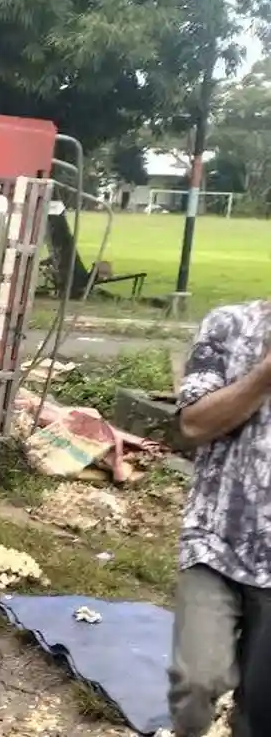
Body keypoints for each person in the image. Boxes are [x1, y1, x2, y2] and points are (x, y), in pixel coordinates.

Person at [167, 300, 271, 737]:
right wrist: (266, 372)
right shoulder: (230, 325)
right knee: (196, 681)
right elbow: (194, 424)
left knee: (261, 714)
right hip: (215, 543)